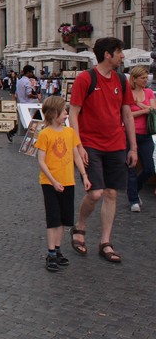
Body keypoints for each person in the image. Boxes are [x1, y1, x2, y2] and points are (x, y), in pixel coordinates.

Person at [68, 37, 135, 264]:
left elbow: (127, 114)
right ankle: (80, 225)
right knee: (95, 193)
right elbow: (73, 114)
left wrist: (132, 146)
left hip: (116, 144)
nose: (122, 56)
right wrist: (79, 145)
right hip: (91, 144)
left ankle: (105, 241)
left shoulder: (122, 80)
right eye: (119, 52)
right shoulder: (85, 79)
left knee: (112, 193)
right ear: (108, 54)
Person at [34, 96, 89, 272]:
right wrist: (53, 181)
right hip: (50, 184)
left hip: (68, 182)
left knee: (63, 220)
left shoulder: (70, 132)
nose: (66, 114)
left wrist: (84, 176)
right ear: (53, 113)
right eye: (64, 111)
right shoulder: (45, 134)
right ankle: (50, 253)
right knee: (53, 219)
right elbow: (41, 161)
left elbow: (76, 155)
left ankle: (57, 249)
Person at [124, 65, 155, 212]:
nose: (146, 80)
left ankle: (134, 189)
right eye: (142, 78)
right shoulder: (127, 93)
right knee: (131, 167)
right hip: (130, 134)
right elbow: (126, 116)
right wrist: (144, 110)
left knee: (149, 168)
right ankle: (133, 200)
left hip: (146, 135)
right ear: (134, 79)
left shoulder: (149, 92)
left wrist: (138, 106)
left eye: (146, 78)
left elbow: (153, 110)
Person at [7, 65, 40, 142]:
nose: (32, 74)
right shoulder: (27, 82)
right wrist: (36, 96)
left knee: (23, 122)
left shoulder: (20, 81)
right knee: (33, 120)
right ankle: (33, 137)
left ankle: (11, 132)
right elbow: (29, 94)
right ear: (28, 72)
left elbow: (16, 94)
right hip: (29, 104)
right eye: (31, 72)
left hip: (22, 103)